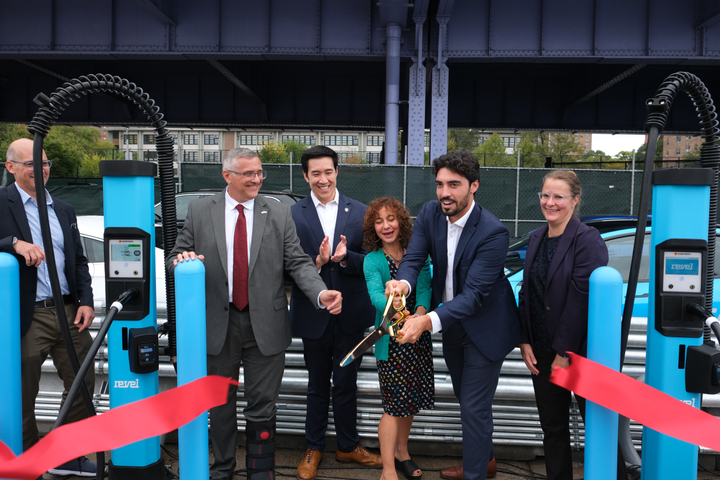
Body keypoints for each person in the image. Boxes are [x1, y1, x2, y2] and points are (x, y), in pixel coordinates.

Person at [167, 147, 343, 480]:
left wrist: (321, 293)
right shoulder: (200, 210)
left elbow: (298, 262)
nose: (257, 179)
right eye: (249, 174)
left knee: (262, 405)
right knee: (219, 405)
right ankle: (222, 469)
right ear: (227, 176)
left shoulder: (278, 212)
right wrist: (183, 262)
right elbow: (175, 256)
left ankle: (261, 471)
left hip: (267, 323)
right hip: (218, 324)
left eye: (259, 172)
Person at [385, 151, 521, 480]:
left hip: (485, 327)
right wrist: (401, 284)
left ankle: (475, 474)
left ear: (473, 186)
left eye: (454, 185)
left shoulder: (493, 232)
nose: (445, 192)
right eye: (440, 184)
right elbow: (414, 258)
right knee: (467, 400)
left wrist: (426, 320)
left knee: (474, 407)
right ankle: (484, 462)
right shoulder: (431, 212)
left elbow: (474, 296)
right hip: (452, 325)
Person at [517, 170, 627, 480]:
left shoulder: (587, 239)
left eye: (558, 197)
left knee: (597, 428)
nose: (549, 202)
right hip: (540, 349)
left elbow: (581, 300)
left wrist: (562, 353)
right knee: (552, 429)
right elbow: (528, 291)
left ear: (574, 200)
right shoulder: (538, 237)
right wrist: (524, 339)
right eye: (545, 195)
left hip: (577, 352)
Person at [0, 138, 98, 478]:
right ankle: (26, 462)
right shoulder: (2, 203)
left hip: (69, 311)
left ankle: (65, 457)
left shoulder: (64, 208)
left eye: (44, 163)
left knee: (84, 379)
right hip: (27, 315)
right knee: (20, 391)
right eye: (30, 164)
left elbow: (80, 261)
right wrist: (12, 243)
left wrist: (86, 301)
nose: (40, 170)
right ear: (10, 167)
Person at [289, 145, 381, 480]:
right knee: (316, 383)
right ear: (305, 176)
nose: (323, 179)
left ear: (337, 171)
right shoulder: (293, 214)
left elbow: (373, 262)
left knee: (346, 381)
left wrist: (344, 258)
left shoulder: (361, 212)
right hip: (313, 311)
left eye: (328, 171)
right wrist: (316, 263)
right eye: (315, 173)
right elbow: (285, 266)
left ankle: (347, 446)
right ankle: (313, 447)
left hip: (352, 313)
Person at [362, 197, 434, 480]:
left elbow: (426, 289)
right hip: (391, 343)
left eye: (390, 219)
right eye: (378, 221)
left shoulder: (418, 255)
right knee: (394, 406)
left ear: (401, 221)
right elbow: (377, 297)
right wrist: (400, 316)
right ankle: (388, 469)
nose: (385, 226)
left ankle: (402, 452)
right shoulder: (372, 260)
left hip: (416, 339)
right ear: (373, 228)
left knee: (410, 402)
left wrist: (418, 316)